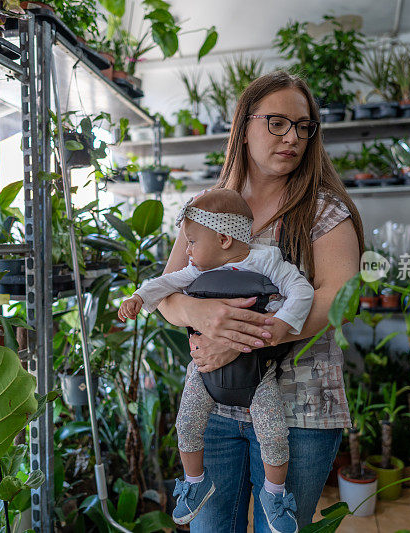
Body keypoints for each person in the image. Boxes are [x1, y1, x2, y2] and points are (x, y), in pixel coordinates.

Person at [155, 71, 364, 532]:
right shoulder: (213, 209)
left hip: (301, 410)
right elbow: (169, 290)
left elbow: (338, 297)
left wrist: (241, 339)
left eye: (303, 127)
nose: (292, 136)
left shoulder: (325, 210)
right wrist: (198, 313)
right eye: (277, 123)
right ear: (243, 126)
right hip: (214, 402)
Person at [118, 188, 315, 532]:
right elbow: (164, 283)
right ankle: (195, 482)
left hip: (258, 374)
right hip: (204, 372)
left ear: (223, 239)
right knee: (187, 424)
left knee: (273, 433)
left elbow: (302, 290)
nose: (187, 251)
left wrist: (281, 324)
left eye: (192, 241)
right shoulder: (195, 272)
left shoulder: (267, 261)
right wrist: (137, 297)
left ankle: (275, 494)